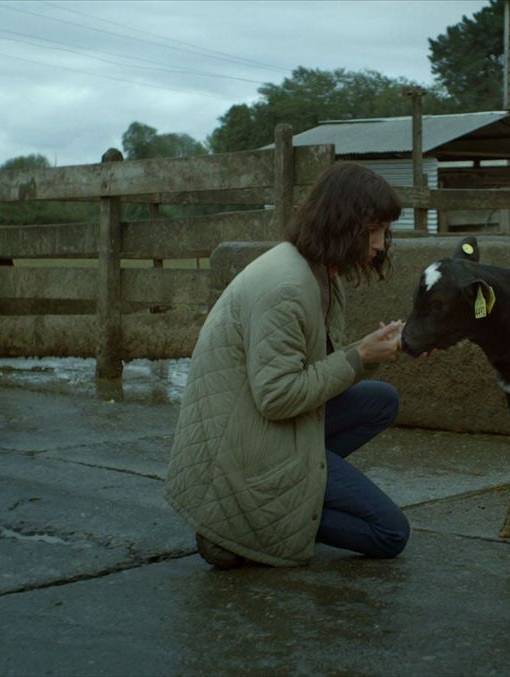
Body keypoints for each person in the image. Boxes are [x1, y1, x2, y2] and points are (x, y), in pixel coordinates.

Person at [164, 162, 410, 569]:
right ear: (342, 224)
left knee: (380, 400)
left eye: (385, 230)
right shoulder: (287, 286)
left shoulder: (321, 273)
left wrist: (371, 355)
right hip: (246, 449)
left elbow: (307, 372)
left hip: (260, 426)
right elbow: (277, 397)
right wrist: (357, 356)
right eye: (373, 231)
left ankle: (287, 500)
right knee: (391, 534)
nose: (381, 244)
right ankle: (248, 524)